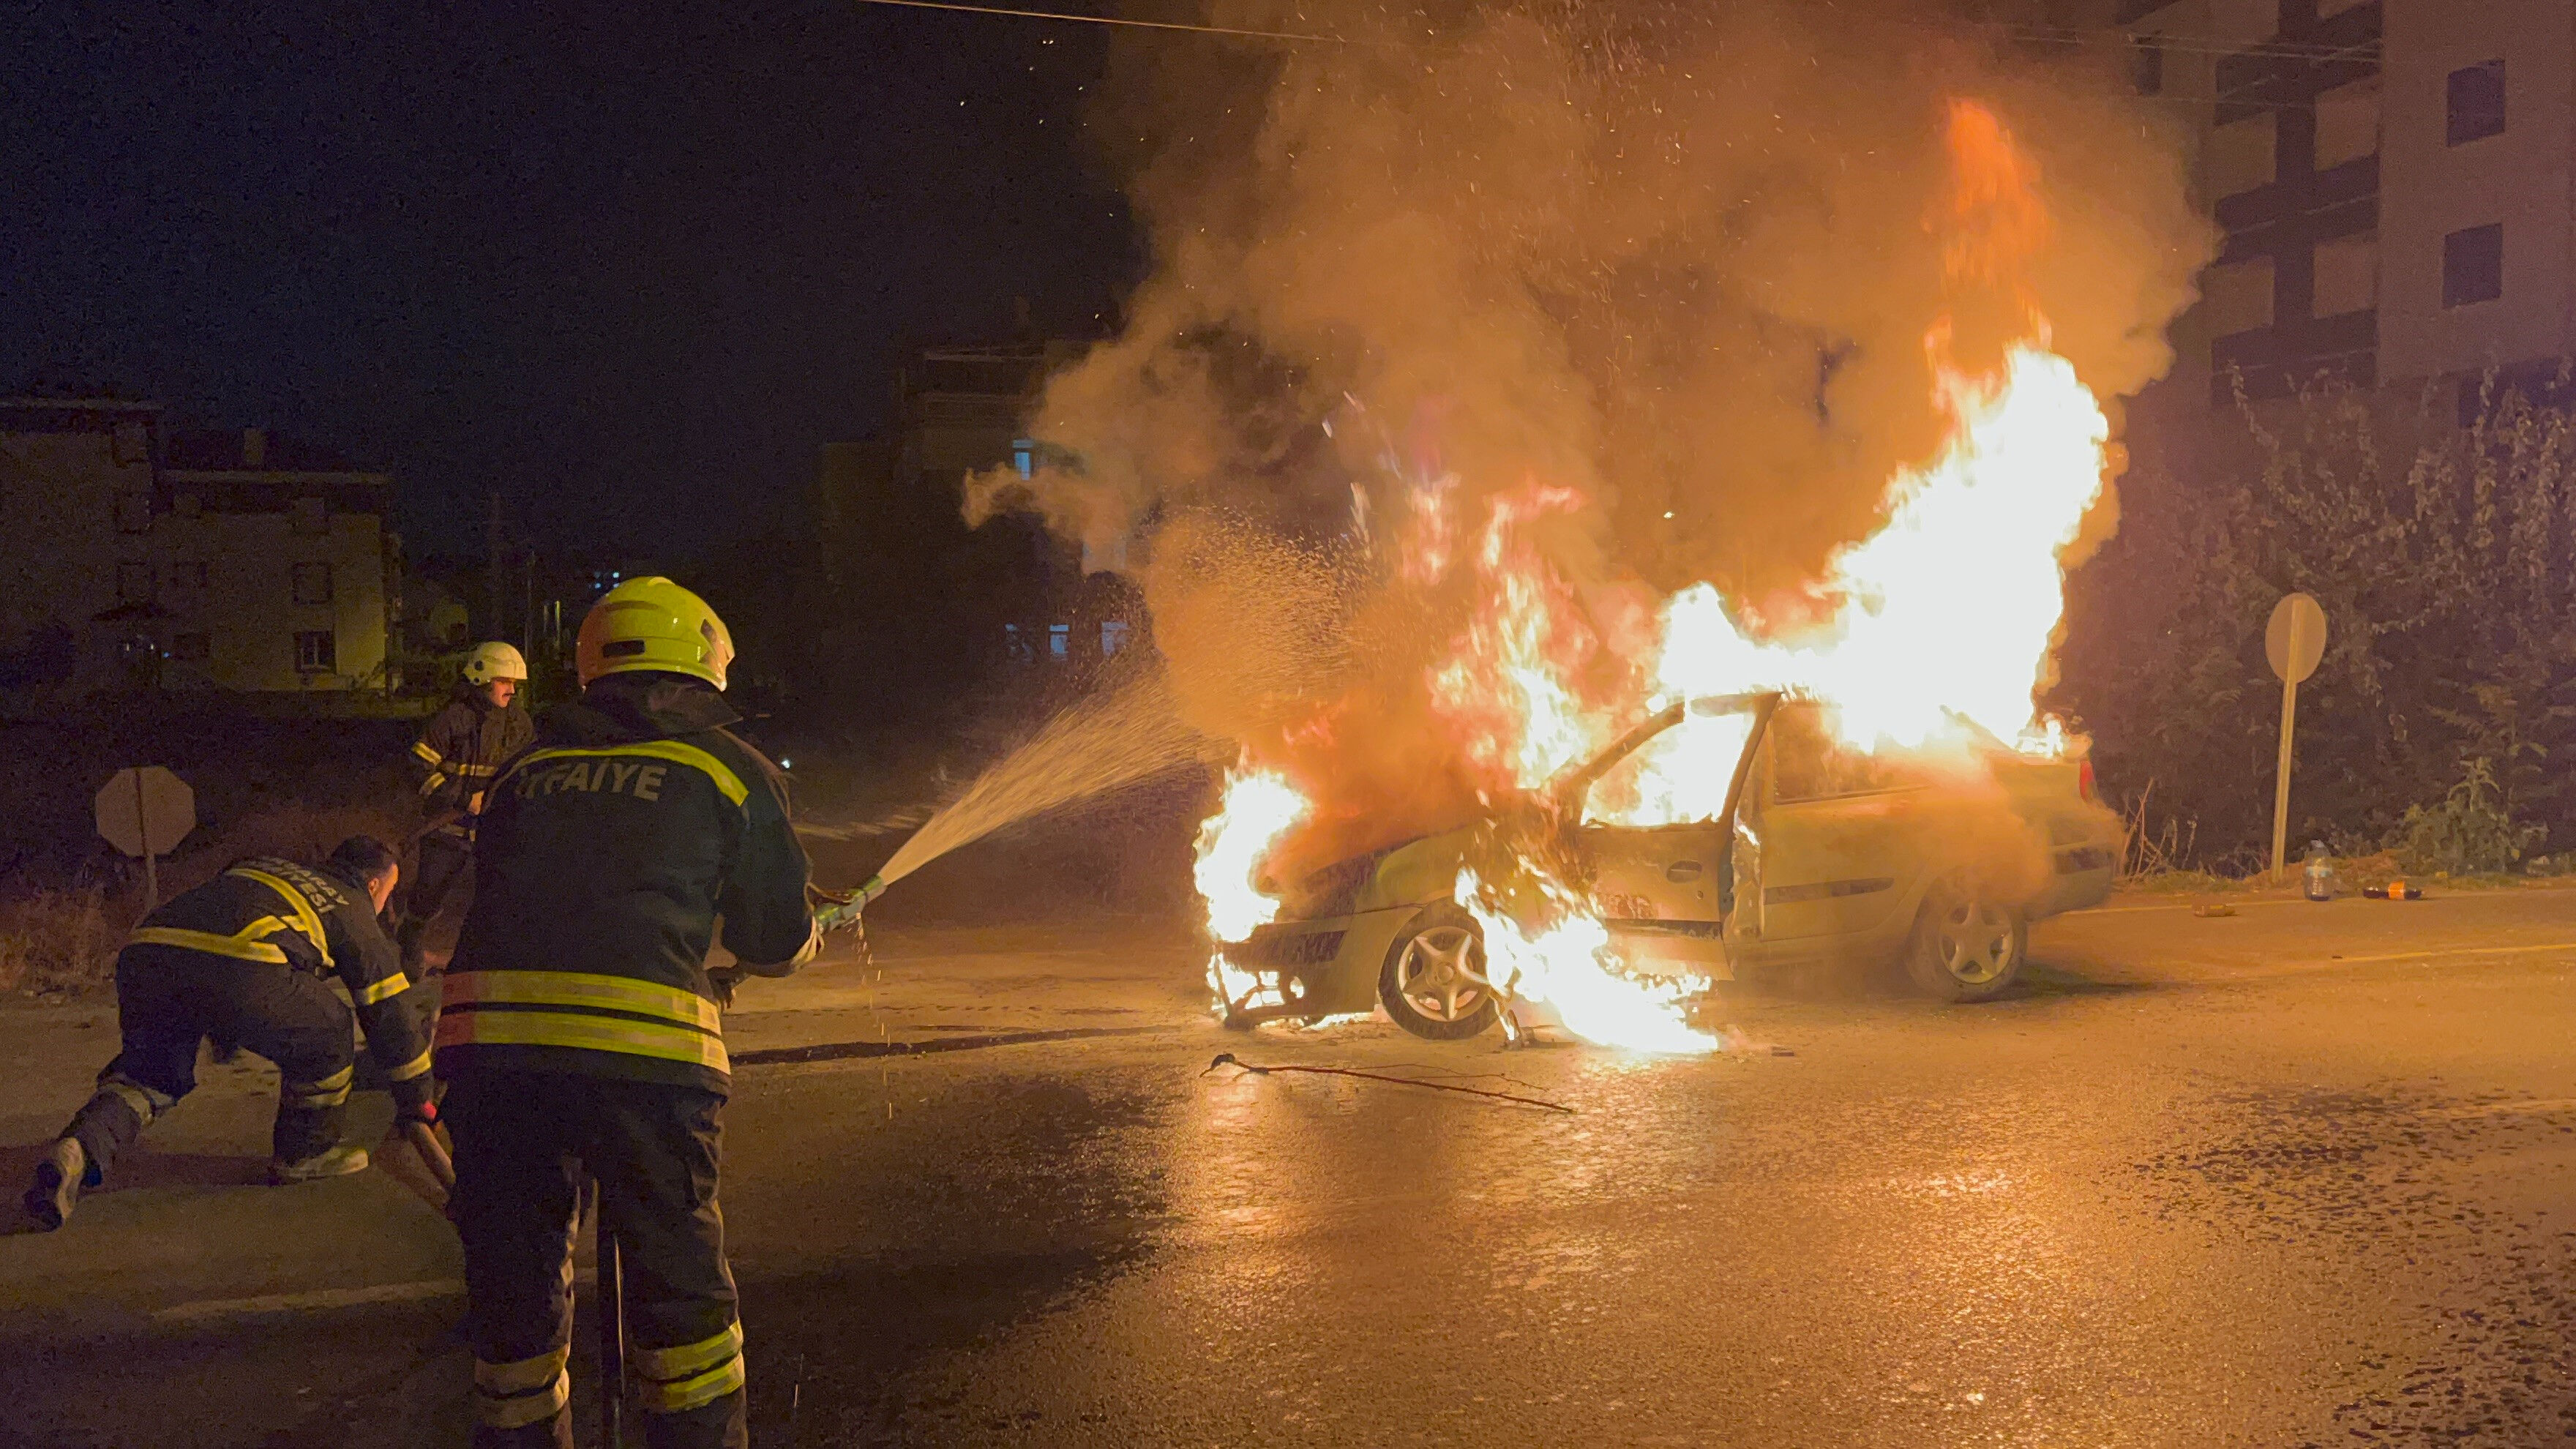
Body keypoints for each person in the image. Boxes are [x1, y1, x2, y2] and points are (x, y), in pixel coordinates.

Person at [437, 577, 817, 1448]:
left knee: (514, 1287)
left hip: (490, 1056)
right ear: (707, 663)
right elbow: (772, 937)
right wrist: (800, 944)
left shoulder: (526, 767)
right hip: (645, 1064)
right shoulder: (729, 766)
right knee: (677, 1288)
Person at [25, 836, 437, 1230]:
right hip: (243, 961)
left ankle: (80, 1147)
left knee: (149, 1077)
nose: (386, 906)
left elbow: (225, 909)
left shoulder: (270, 868)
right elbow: (389, 1016)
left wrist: (225, 1024)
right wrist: (419, 1098)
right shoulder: (352, 907)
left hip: (149, 951)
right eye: (390, 892)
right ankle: (305, 1153)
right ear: (374, 884)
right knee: (328, 1029)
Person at [399, 640, 536, 980]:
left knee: (496, 896)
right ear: (482, 679)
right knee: (429, 893)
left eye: (515, 684)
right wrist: (461, 799)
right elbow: (417, 766)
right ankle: (411, 941)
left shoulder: (518, 723)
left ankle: (486, 962)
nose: (512, 690)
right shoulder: (452, 720)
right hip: (448, 829)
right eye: (505, 682)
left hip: (493, 829)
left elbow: (527, 768)